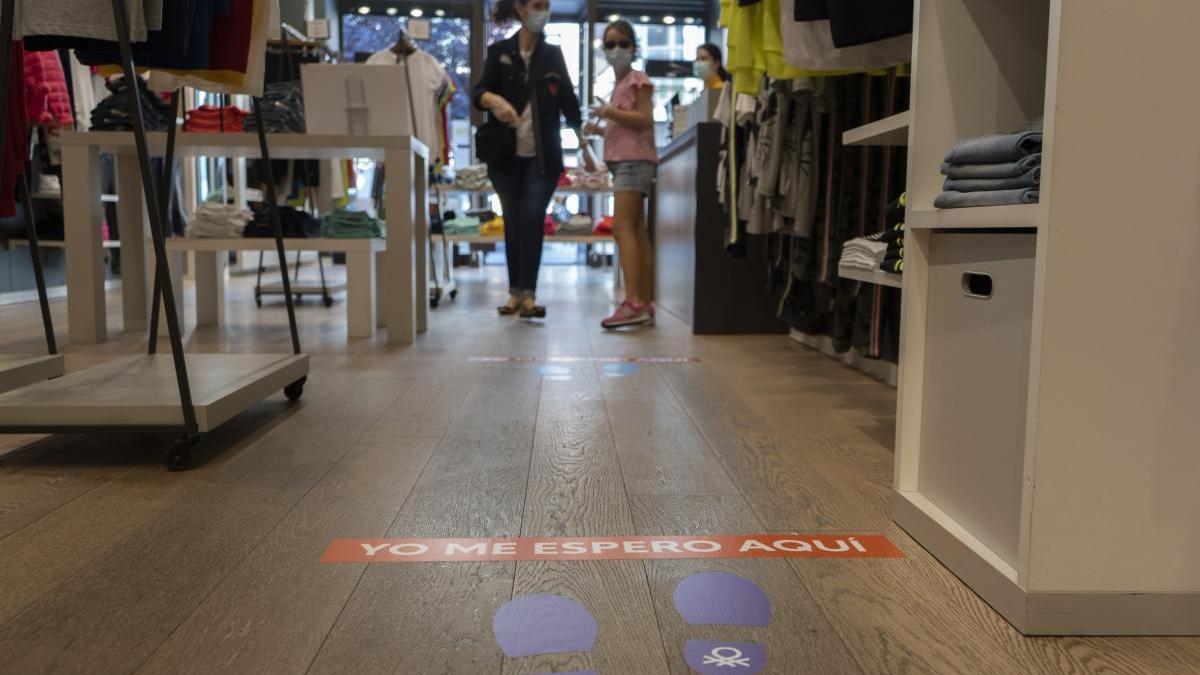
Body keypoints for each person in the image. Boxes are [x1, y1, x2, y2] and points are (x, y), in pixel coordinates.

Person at [473, 0, 582, 319]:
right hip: (505, 156)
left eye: (546, 6)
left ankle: (529, 294)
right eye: (537, 5)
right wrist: (493, 100)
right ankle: (514, 293)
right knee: (513, 220)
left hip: (543, 157)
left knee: (532, 216)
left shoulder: (552, 54)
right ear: (521, 9)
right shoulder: (499, 52)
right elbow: (478, 90)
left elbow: (569, 102)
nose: (543, 12)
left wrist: (585, 140)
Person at [587, 20, 659, 330]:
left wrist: (608, 114)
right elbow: (628, 126)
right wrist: (601, 129)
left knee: (622, 229)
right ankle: (643, 301)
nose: (616, 49)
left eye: (622, 43)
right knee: (638, 232)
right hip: (627, 162)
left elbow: (644, 119)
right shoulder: (620, 84)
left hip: (633, 163)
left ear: (633, 46)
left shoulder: (637, 80)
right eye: (610, 44)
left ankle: (634, 303)